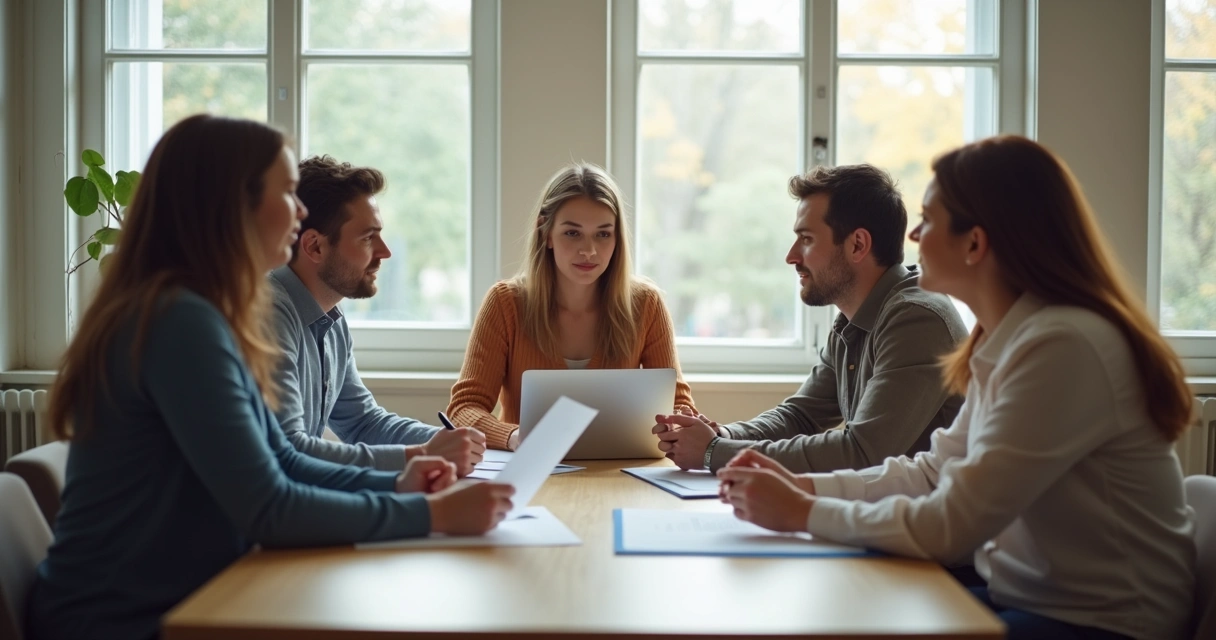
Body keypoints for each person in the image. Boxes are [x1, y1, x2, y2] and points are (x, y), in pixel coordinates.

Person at [27, 115, 514, 640]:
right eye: (287, 193)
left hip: (185, 597)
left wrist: (400, 483)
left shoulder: (205, 311)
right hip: (123, 620)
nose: (301, 211)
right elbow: (269, 506)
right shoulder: (178, 321)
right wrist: (431, 513)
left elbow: (279, 460)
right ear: (231, 207)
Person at [718, 135, 1196, 640]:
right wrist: (803, 486)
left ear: (975, 243)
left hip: (1105, 624)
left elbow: (951, 524)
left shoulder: (1064, 345)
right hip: (1027, 600)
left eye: (929, 220)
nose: (916, 236)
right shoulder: (1008, 337)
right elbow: (932, 473)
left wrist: (803, 510)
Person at [655, 164, 967, 473]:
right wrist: (721, 435)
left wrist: (715, 452)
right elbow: (801, 416)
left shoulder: (916, 319)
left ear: (857, 244)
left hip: (938, 519)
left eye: (806, 239)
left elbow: (863, 453)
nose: (791, 256)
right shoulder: (853, 319)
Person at [448, 162, 694, 450]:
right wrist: (514, 437)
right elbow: (463, 409)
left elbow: (677, 404)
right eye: (572, 233)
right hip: (532, 469)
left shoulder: (646, 304)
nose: (589, 250)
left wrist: (677, 423)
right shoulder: (506, 304)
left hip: (622, 472)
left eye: (603, 234)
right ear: (546, 233)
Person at [268, 155, 484, 476]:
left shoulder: (331, 320)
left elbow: (363, 423)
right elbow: (288, 451)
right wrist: (421, 455)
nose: (385, 251)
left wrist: (447, 441)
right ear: (314, 247)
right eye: (368, 237)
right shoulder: (269, 313)